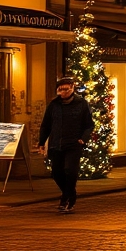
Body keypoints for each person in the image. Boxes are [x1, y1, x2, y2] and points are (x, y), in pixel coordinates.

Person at [38, 76, 94, 214]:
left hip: (74, 144)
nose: (63, 92)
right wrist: (41, 142)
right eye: (60, 89)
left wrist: (83, 138)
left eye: (66, 89)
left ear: (72, 88)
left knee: (70, 171)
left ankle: (67, 199)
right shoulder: (54, 105)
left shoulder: (81, 104)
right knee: (56, 173)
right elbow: (46, 125)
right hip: (56, 144)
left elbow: (89, 125)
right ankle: (69, 194)